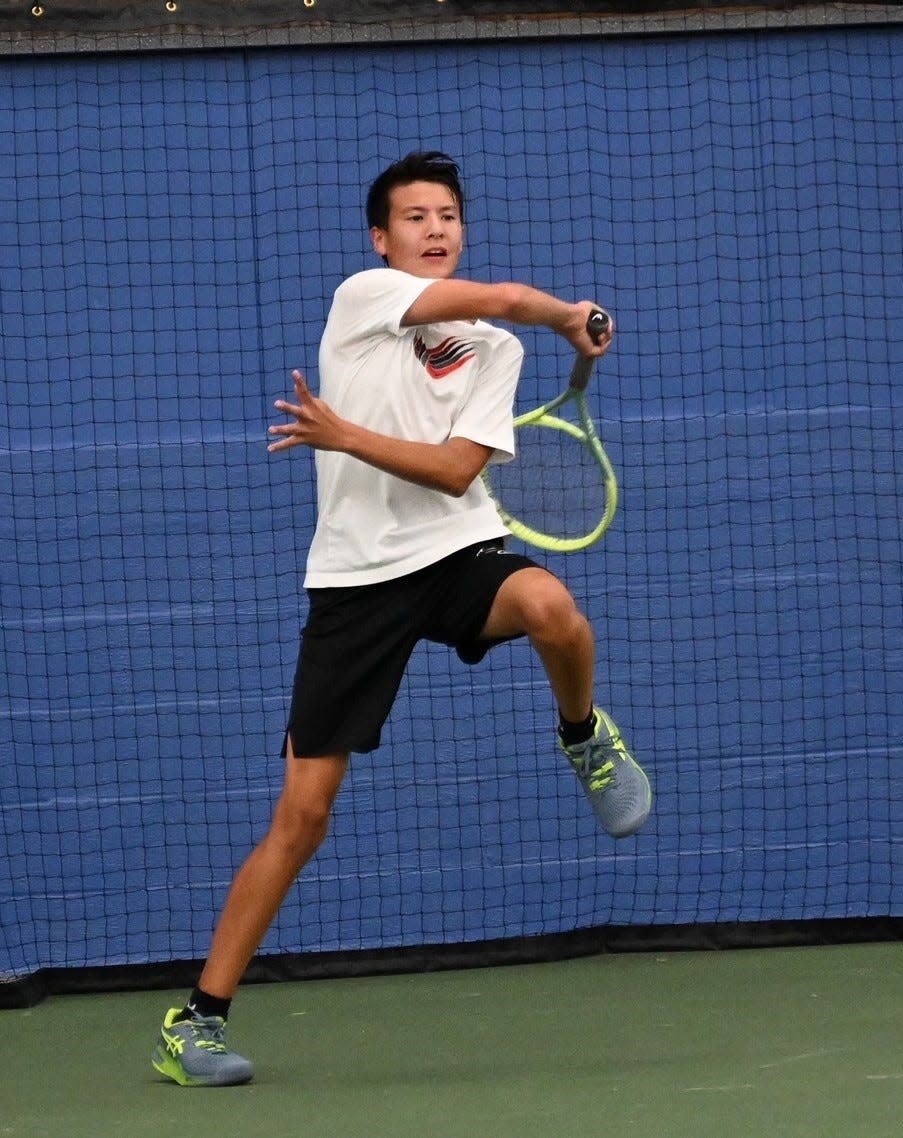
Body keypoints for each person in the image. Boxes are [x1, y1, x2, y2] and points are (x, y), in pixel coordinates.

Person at [151, 151, 651, 1087]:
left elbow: (459, 471)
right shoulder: (365, 298)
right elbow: (504, 297)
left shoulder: (495, 352)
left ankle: (583, 737)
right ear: (381, 240)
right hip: (354, 582)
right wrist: (566, 315)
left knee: (551, 605)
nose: (434, 228)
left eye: (448, 215)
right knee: (303, 817)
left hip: (458, 552)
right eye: (414, 217)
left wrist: (346, 436)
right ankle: (195, 1022)